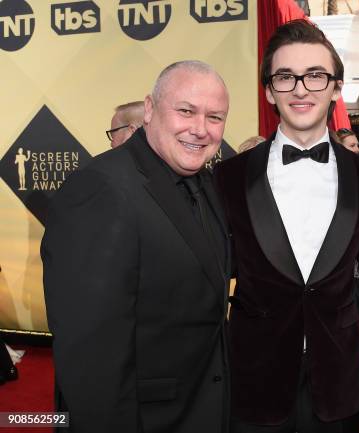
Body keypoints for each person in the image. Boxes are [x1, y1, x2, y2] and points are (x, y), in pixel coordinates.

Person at [41, 61, 231, 433]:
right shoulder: (100, 189)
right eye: (186, 111)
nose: (200, 129)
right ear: (149, 109)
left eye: (215, 117)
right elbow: (91, 357)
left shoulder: (203, 181)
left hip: (197, 409)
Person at [214, 19, 359, 433]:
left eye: (315, 76)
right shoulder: (227, 177)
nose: (302, 89)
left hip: (339, 384)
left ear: (335, 88)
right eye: (286, 77)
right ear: (270, 90)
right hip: (254, 384)